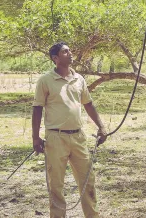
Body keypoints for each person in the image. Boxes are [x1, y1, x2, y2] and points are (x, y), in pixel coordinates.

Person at [32, 42, 108, 218]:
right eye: (65, 52)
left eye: (70, 51)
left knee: (88, 181)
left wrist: (102, 127)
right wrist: (35, 138)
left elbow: (88, 104)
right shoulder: (45, 80)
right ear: (55, 58)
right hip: (55, 138)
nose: (70, 53)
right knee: (56, 185)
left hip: (78, 137)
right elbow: (37, 109)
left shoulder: (79, 79)